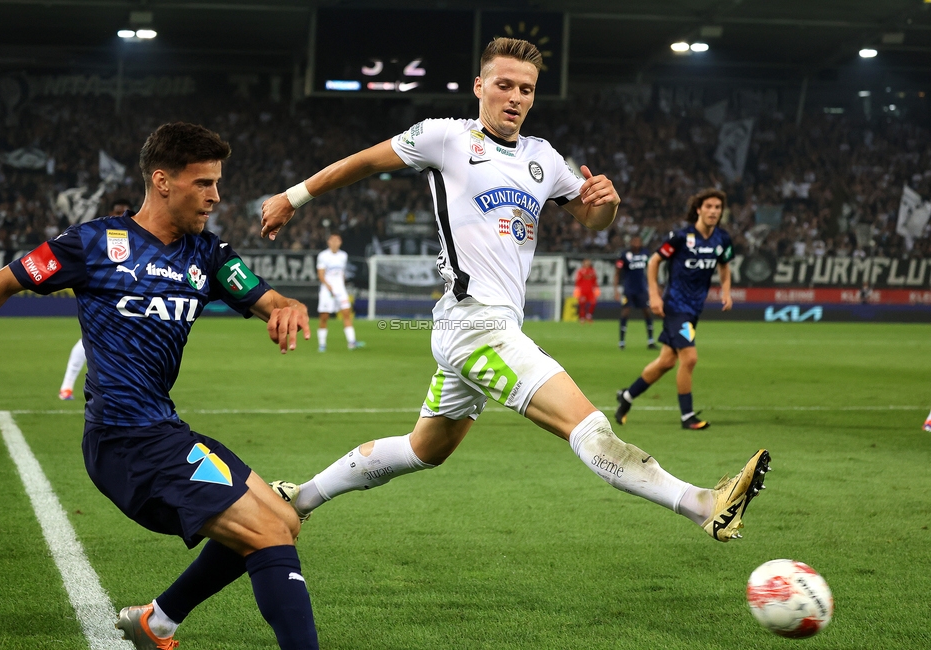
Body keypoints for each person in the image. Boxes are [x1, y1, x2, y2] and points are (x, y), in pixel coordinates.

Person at [260, 38, 770, 544]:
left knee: (425, 449)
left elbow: (592, 219)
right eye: (504, 85)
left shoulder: (543, 158)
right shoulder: (445, 138)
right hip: (475, 323)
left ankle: (299, 499)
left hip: (490, 324)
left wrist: (606, 201)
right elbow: (364, 162)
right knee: (587, 425)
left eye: (526, 89)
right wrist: (293, 196)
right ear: (480, 87)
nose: (515, 97)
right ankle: (704, 503)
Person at [0, 123, 320, 650]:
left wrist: (288, 309)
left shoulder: (208, 255)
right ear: (163, 181)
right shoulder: (93, 243)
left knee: (282, 522)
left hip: (163, 432)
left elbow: (269, 299)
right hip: (124, 440)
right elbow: (1, 282)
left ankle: (157, 621)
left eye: (218, 183)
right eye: (204, 183)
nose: (216, 196)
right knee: (266, 533)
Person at [615, 189, 734, 431]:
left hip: (693, 309)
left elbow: (724, 265)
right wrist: (654, 295)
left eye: (718, 207)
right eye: (709, 206)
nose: (713, 211)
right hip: (675, 306)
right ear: (698, 209)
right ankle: (687, 416)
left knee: (667, 361)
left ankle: (627, 396)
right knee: (689, 358)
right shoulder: (681, 237)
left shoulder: (722, 239)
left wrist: (726, 290)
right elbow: (654, 261)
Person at [59, 197, 134, 400]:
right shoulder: (98, 237)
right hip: (106, 301)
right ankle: (67, 387)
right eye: (117, 212)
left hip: (132, 304)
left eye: (125, 213)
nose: (121, 217)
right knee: (89, 341)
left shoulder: (136, 240)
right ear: (110, 213)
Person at [315, 233, 362, 351]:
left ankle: (351, 342)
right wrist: (328, 286)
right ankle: (322, 344)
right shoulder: (323, 256)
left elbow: (341, 274)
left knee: (346, 314)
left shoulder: (343, 256)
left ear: (340, 242)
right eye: (333, 240)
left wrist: (342, 286)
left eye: (337, 240)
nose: (335, 243)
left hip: (340, 290)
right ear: (328, 242)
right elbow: (320, 274)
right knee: (324, 317)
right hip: (327, 290)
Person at [614, 234, 656, 349]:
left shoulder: (645, 254)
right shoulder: (624, 255)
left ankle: (651, 341)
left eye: (638, 241)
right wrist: (616, 289)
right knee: (625, 313)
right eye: (635, 241)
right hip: (629, 289)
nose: (637, 243)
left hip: (642, 289)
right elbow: (617, 272)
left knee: (647, 312)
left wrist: (653, 285)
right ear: (631, 242)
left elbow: (651, 269)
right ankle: (621, 342)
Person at [573, 258, 599, 323]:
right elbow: (577, 281)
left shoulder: (592, 271)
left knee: (593, 303)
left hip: (590, 291)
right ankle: (582, 318)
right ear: (583, 263)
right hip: (583, 291)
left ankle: (589, 315)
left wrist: (596, 288)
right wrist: (577, 289)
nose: (587, 264)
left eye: (588, 263)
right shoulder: (580, 271)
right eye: (586, 263)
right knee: (582, 305)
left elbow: (594, 281)